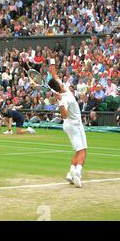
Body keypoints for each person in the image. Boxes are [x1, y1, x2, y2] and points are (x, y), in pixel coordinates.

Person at [48, 58, 87, 188]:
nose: (60, 79)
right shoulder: (63, 99)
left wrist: (52, 60)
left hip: (69, 126)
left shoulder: (60, 86)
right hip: (74, 125)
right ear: (58, 85)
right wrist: (59, 102)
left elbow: (53, 73)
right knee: (82, 150)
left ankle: (70, 173)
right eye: (59, 80)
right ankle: (78, 173)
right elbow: (64, 115)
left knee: (77, 149)